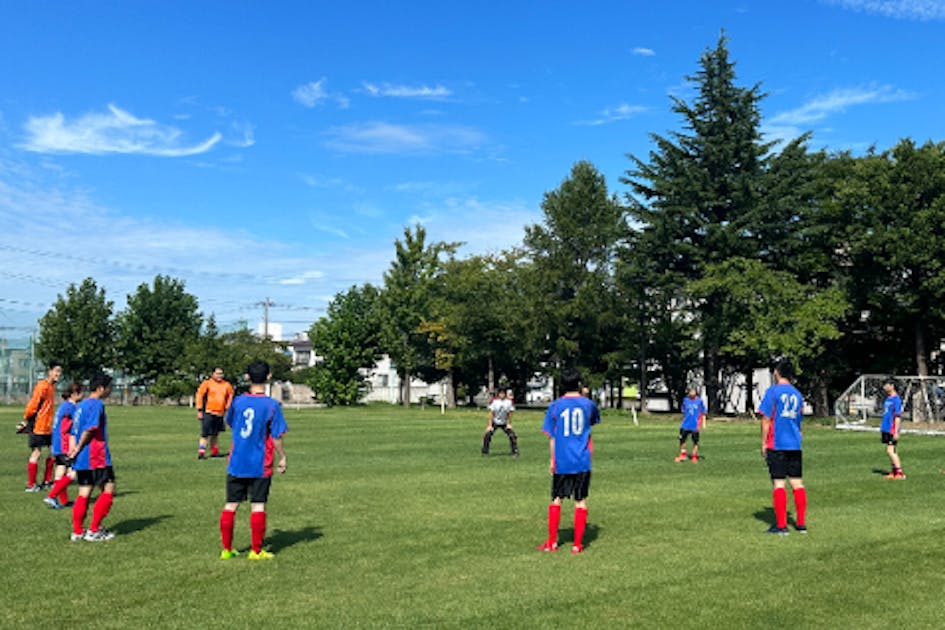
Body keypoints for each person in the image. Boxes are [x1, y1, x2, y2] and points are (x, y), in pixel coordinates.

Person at [218, 360, 288, 560]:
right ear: (268, 377)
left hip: (237, 461)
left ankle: (226, 549)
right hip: (260, 463)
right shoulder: (272, 405)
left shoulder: (238, 401)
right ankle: (256, 551)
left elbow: (230, 422)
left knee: (231, 504)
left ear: (247, 377)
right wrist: (282, 457)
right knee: (258, 505)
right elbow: (276, 436)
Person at [538, 367, 601, 554]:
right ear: (579, 383)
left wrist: (552, 460)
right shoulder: (588, 404)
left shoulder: (555, 406)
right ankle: (577, 545)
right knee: (580, 501)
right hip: (582, 459)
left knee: (556, 499)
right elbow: (591, 422)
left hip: (562, 460)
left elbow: (552, 437)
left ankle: (552, 542)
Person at [757, 360, 807, 535]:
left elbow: (766, 419)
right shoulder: (798, 394)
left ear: (777, 373)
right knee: (797, 483)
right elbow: (799, 421)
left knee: (779, 483)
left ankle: (781, 526)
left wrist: (763, 442)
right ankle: (801, 524)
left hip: (777, 443)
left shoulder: (773, 391)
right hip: (795, 444)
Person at [68, 373, 117, 542]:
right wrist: (80, 447)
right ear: (101, 388)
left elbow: (73, 431)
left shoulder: (80, 406)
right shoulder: (96, 404)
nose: (111, 391)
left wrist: (73, 450)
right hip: (96, 456)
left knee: (84, 493)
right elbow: (90, 429)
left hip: (82, 458)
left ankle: (77, 531)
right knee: (109, 489)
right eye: (109, 387)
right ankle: (94, 530)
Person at [22, 362, 63, 492]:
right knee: (36, 453)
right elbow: (33, 405)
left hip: (48, 426)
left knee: (53, 453)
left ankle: (47, 481)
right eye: (56, 371)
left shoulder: (51, 387)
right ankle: (31, 484)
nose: (58, 374)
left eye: (60, 372)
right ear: (49, 371)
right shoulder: (42, 386)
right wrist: (27, 419)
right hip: (38, 426)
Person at [43, 383, 84, 509]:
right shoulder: (71, 408)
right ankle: (52, 495)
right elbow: (70, 427)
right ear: (74, 394)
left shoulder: (63, 406)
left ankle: (64, 501)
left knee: (60, 471)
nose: (83, 395)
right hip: (65, 444)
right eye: (81, 392)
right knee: (73, 472)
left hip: (57, 443)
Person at [195, 367, 235, 459]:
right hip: (208, 412)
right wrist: (200, 410)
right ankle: (201, 452)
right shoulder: (207, 384)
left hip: (220, 413)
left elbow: (230, 395)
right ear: (212, 374)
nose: (220, 375)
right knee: (205, 433)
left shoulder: (226, 385)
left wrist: (227, 407)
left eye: (221, 373)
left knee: (215, 433)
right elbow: (200, 395)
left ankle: (214, 452)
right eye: (217, 373)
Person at [481, 389, 518, 457]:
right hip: (495, 421)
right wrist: (489, 425)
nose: (502, 395)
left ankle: (515, 452)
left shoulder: (509, 402)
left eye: (503, 393)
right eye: (500, 393)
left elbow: (510, 413)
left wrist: (509, 423)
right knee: (487, 435)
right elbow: (491, 413)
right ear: (498, 394)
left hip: (504, 422)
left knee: (512, 435)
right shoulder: (494, 401)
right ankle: (485, 452)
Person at [881, 377, 905, 479]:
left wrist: (896, 431)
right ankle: (894, 472)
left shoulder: (896, 400)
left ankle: (900, 473)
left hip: (892, 428)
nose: (884, 387)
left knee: (890, 451)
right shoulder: (888, 398)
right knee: (891, 450)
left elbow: (897, 416)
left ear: (892, 386)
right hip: (885, 427)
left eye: (886, 385)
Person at [675, 388, 707, 463]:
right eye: (691, 392)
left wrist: (703, 424)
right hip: (685, 425)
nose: (692, 393)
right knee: (682, 439)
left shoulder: (699, 401)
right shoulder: (685, 400)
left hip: (695, 425)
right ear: (688, 393)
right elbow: (683, 411)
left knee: (695, 441)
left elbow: (703, 413)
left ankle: (694, 456)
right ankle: (683, 455)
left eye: (694, 391)